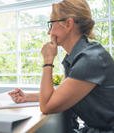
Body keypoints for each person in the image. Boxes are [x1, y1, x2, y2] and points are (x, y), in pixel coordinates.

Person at [9, 0, 114, 132]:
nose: (49, 32)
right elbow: (63, 93)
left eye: (51, 23)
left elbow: (47, 106)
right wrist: (27, 97)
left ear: (68, 24)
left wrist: (48, 60)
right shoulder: (80, 56)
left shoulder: (90, 59)